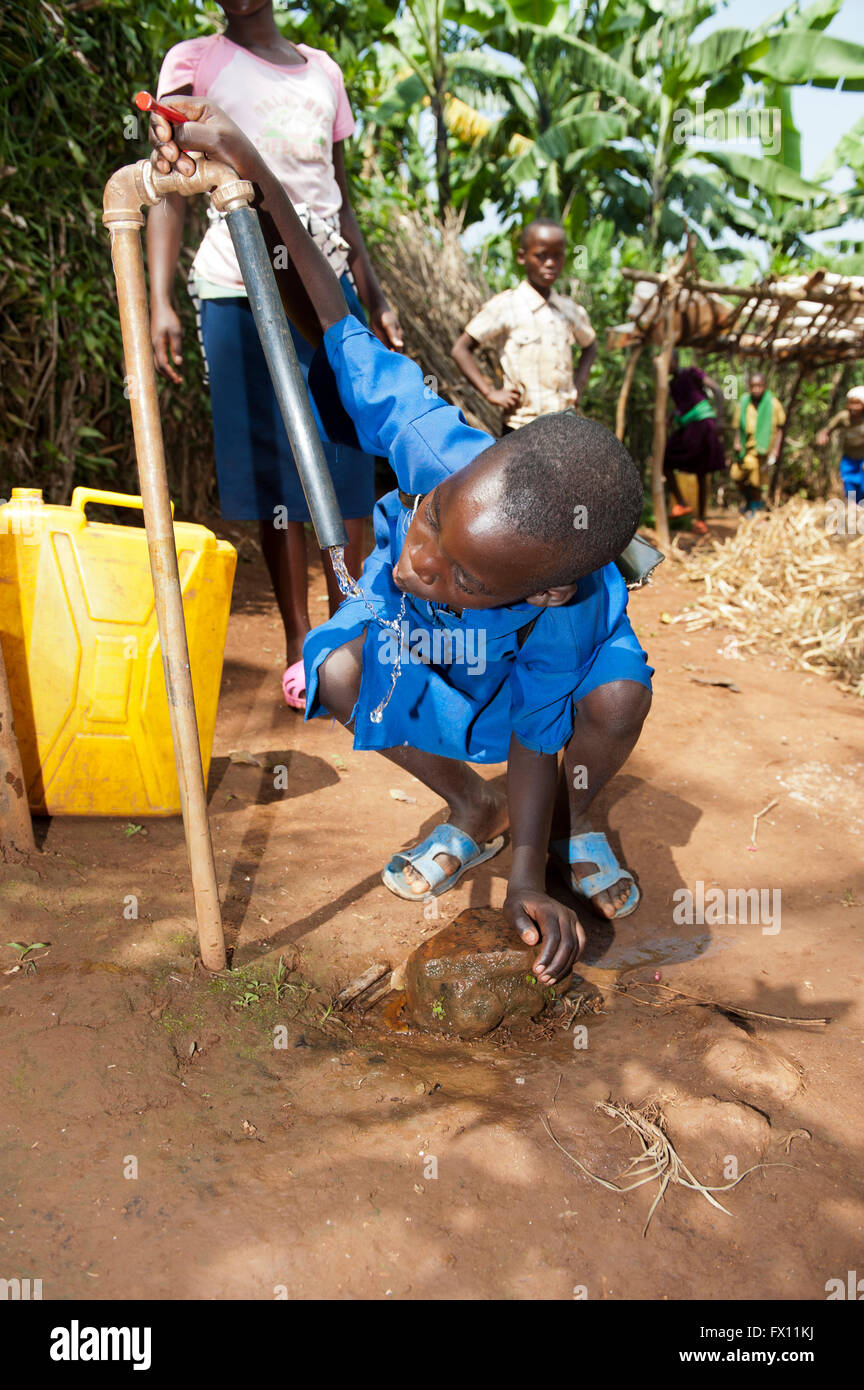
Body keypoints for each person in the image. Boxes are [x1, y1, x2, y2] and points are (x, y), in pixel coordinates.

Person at [149, 99, 653, 986]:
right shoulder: (433, 451)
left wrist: (524, 886)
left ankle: (575, 818)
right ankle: (471, 801)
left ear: (536, 590)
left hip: (542, 663)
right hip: (459, 648)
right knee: (337, 668)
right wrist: (248, 163)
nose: (420, 562)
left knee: (612, 702)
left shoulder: (563, 611)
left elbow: (540, 728)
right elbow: (335, 317)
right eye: (430, 524)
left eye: (456, 571)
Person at [146, 0, 402, 711]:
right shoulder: (193, 62)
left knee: (345, 459)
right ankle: (300, 644)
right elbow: (168, 181)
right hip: (239, 283)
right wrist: (159, 296)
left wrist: (373, 295)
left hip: (322, 286)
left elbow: (340, 198)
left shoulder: (324, 72)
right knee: (278, 474)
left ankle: (350, 632)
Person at [450, 220, 597, 433]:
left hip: (565, 426)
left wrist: (578, 387)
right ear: (522, 257)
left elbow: (590, 345)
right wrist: (491, 393)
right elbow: (460, 349)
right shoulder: (506, 305)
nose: (550, 263)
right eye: (541, 255)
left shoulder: (570, 310)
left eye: (557, 256)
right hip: (520, 426)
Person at [663, 354, 725, 534]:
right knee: (665, 462)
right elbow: (680, 406)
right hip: (687, 427)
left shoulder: (692, 373)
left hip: (703, 425)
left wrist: (720, 419)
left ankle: (701, 520)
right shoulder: (671, 385)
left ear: (675, 360)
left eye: (669, 362)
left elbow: (718, 391)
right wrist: (670, 417)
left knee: (702, 471)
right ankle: (681, 503)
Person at [731, 372, 785, 514]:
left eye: (759, 386)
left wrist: (776, 450)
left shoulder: (773, 404)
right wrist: (737, 442)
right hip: (745, 449)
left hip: (762, 450)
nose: (756, 389)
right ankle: (750, 502)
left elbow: (780, 428)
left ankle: (756, 508)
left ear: (765, 386)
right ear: (749, 387)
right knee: (736, 476)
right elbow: (738, 427)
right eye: (753, 386)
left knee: (756, 478)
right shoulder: (743, 403)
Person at [816, 386, 864, 504]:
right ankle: (854, 510)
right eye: (851, 403)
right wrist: (823, 435)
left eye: (858, 404)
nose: (854, 407)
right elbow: (827, 429)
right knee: (849, 486)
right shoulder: (843, 417)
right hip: (849, 458)